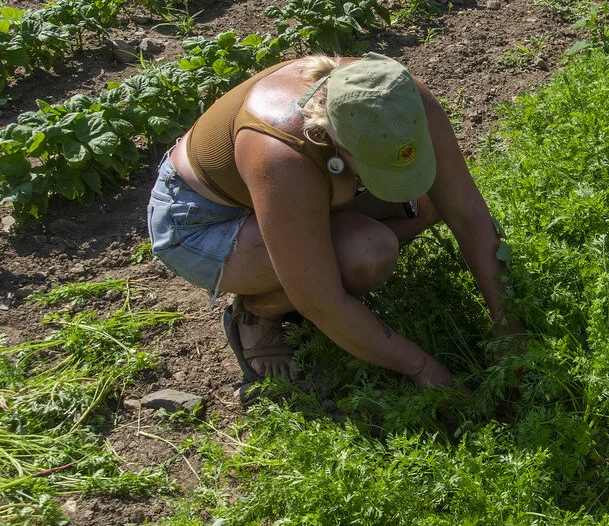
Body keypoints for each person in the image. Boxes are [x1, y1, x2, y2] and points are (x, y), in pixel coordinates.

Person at [146, 53, 524, 394]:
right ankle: (259, 311)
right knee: (363, 253)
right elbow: (321, 300)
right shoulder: (282, 152)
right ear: (334, 142)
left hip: (299, 186)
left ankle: (311, 241)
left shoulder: (395, 99)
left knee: (428, 204)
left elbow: (468, 213)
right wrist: (422, 367)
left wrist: (508, 323)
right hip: (202, 222)